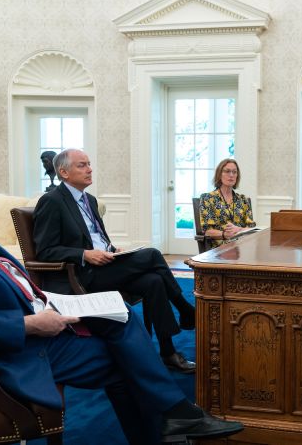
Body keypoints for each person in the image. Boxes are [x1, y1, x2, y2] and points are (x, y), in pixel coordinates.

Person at [0, 129, 243, 443]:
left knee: (119, 315)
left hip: (26, 319)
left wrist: (45, 301)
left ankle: (174, 417)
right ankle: (172, 420)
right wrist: (30, 322)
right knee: (122, 357)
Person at [33, 149, 196, 374]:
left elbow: (96, 237)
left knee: (154, 281)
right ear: (63, 172)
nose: (90, 169)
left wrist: (111, 249)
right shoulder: (51, 201)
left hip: (106, 266)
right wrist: (84, 254)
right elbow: (45, 250)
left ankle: (167, 352)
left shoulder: (89, 200)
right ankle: (186, 309)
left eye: (89, 164)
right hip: (82, 274)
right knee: (152, 255)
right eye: (82, 165)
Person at [199, 158, 256, 247]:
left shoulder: (243, 199)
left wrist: (239, 229)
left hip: (242, 247)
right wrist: (224, 234)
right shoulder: (208, 198)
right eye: (227, 171)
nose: (231, 175)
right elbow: (207, 230)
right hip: (218, 249)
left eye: (234, 172)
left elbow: (251, 228)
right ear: (219, 174)